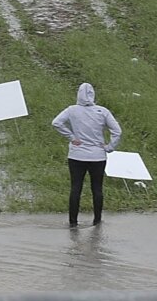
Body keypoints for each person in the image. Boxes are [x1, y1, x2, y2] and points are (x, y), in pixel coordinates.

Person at [52, 82, 123, 226]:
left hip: (76, 155)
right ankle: (97, 221)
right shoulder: (102, 111)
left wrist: (72, 137)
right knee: (97, 188)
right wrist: (109, 147)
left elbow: (56, 123)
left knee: (75, 188)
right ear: (93, 95)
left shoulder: (72, 110)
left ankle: (73, 222)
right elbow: (117, 131)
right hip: (98, 156)